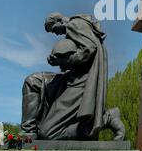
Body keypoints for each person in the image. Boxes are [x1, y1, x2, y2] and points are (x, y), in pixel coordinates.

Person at [21, 13, 125, 141]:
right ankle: (29, 131)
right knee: (34, 81)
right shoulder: (76, 25)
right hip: (72, 77)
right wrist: (61, 59)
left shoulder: (74, 24)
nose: (56, 34)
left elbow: (89, 49)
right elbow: (82, 51)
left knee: (48, 133)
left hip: (81, 82)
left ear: (59, 21)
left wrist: (64, 60)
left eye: (54, 29)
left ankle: (106, 119)